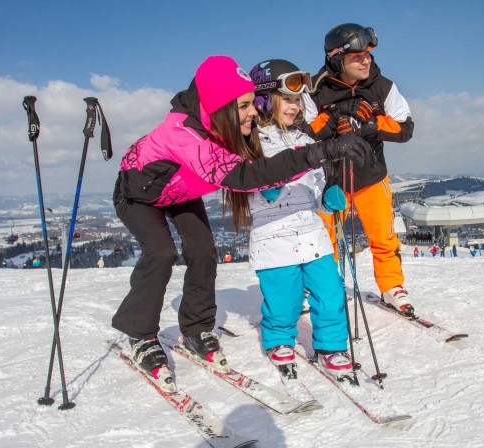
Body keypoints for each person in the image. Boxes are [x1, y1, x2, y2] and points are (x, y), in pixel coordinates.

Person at [111, 55, 371, 379]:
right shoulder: (183, 134)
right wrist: (322, 152)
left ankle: (197, 328)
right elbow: (245, 176)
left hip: (181, 194)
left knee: (204, 251)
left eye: (253, 103)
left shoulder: (227, 127)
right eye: (245, 105)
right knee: (161, 253)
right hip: (140, 197)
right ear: (221, 106)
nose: (253, 111)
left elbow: (271, 154)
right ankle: (140, 332)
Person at [246, 59, 356, 379]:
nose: (295, 107)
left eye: (298, 101)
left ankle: (331, 345)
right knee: (285, 298)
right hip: (273, 234)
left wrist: (328, 196)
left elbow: (317, 182)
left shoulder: (307, 141)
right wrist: (266, 184)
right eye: (288, 99)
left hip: (311, 230)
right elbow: (247, 181)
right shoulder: (252, 141)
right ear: (265, 99)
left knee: (330, 291)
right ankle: (280, 337)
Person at [304, 23, 416, 316]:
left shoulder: (383, 86)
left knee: (383, 235)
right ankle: (322, 288)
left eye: (367, 54)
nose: (365, 61)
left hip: (370, 175)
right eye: (356, 56)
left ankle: (391, 287)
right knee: (322, 239)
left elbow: (405, 128)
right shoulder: (315, 90)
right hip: (329, 180)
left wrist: (370, 125)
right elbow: (303, 134)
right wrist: (334, 121)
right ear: (337, 59)